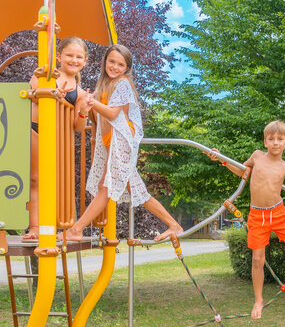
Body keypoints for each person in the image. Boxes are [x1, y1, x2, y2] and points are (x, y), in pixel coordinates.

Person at [63, 44, 182, 243]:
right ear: (105, 62)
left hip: (122, 142)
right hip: (113, 142)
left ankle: (77, 229)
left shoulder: (123, 84)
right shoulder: (106, 84)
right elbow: (97, 114)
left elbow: (112, 113)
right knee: (132, 188)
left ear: (126, 68)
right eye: (112, 62)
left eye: (121, 64)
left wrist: (90, 101)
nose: (115, 67)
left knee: (106, 187)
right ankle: (174, 224)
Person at [209, 120, 285, 319]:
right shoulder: (257, 156)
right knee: (257, 260)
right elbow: (241, 172)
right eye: (271, 139)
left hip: (278, 213)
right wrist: (222, 159)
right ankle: (258, 300)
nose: (275, 143)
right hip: (257, 215)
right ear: (265, 142)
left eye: (280, 139)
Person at [24, 33, 89, 241]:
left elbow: (78, 127)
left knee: (55, 181)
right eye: (70, 55)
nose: (74, 60)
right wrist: (52, 93)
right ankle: (34, 227)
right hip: (36, 129)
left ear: (85, 61)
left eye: (79, 57)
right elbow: (35, 89)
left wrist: (84, 110)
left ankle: (52, 226)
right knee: (35, 179)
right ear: (59, 56)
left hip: (59, 139)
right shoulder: (47, 74)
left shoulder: (78, 92)